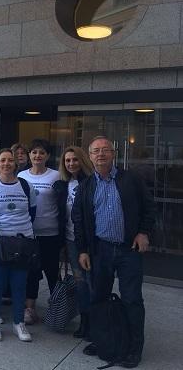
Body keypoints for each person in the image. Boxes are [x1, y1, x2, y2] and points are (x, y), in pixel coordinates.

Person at [74, 136, 155, 368]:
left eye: (105, 150)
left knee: (132, 299)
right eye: (96, 151)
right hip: (101, 250)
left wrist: (143, 232)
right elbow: (78, 220)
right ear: (89, 156)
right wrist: (82, 251)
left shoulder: (131, 179)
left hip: (128, 250)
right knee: (98, 297)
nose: (101, 154)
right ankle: (102, 340)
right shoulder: (87, 186)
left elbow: (149, 208)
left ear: (113, 154)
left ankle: (133, 348)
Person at [0, 148, 37, 342]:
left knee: (19, 282)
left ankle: (19, 322)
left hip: (23, 242)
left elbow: (32, 212)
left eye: (10, 160)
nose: (6, 163)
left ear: (16, 164)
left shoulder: (26, 187)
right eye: (2, 160)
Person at [18, 139, 61, 325]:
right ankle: (30, 309)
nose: (37, 156)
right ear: (29, 155)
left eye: (42, 152)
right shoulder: (21, 175)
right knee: (31, 272)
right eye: (34, 152)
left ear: (48, 156)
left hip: (51, 233)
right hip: (29, 233)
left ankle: (58, 308)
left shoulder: (56, 176)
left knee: (52, 271)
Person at [53, 146, 93, 338]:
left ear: (83, 160)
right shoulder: (62, 184)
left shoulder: (92, 182)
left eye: (75, 160)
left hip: (88, 240)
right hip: (70, 238)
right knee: (80, 282)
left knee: (90, 281)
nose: (71, 163)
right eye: (67, 161)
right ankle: (85, 320)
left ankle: (92, 320)